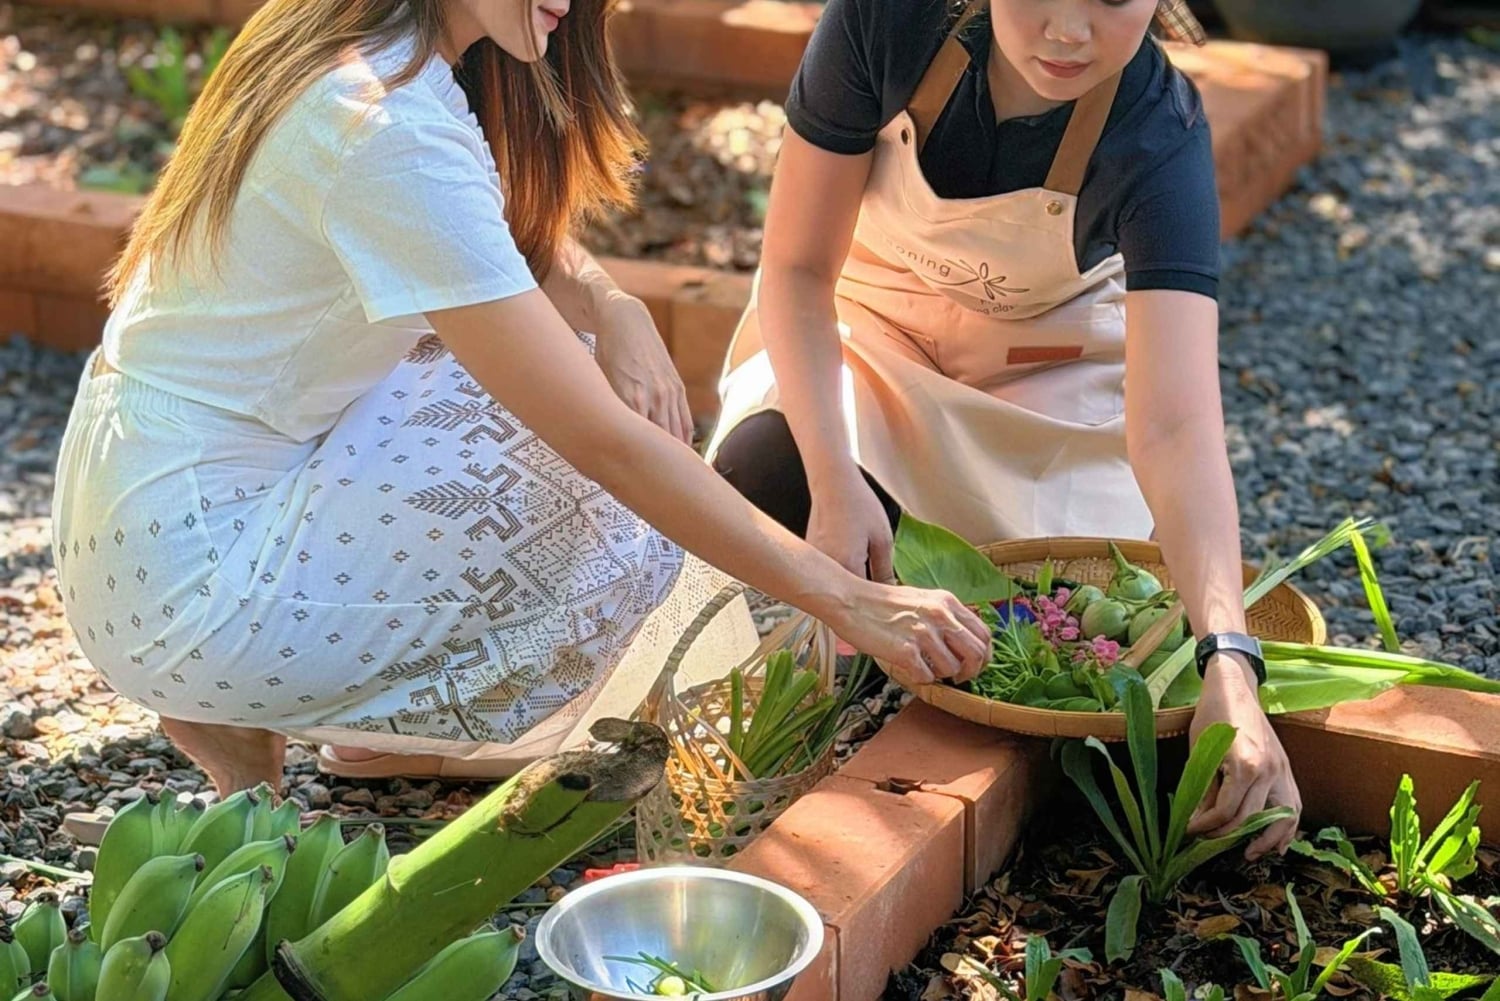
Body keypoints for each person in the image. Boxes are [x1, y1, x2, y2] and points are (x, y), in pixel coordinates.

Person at [50, 0, 992, 798]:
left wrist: (617, 307)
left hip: (134, 504)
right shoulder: (388, 126)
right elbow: (603, 443)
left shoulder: (358, 39)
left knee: (541, 374)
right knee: (560, 462)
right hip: (194, 576)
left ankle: (340, 718)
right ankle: (263, 688)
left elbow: (491, 231)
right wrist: (855, 602)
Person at [705, 0, 1301, 859]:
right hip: (876, 334)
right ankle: (871, 617)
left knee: (1084, 614)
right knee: (768, 470)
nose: (1068, 32)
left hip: (1041, 377)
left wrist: (1231, 663)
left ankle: (901, 642)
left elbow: (1174, 425)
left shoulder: (1158, 132)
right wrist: (836, 485)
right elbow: (797, 271)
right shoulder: (884, 22)